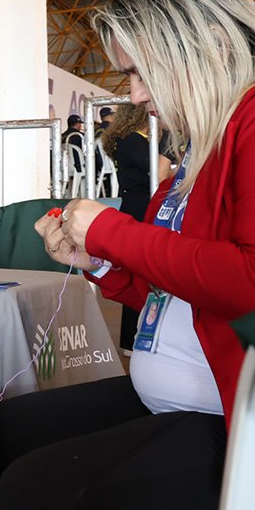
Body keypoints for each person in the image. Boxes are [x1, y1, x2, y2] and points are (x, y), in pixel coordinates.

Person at [0, 0, 255, 510]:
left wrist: (111, 231)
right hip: (177, 396)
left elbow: (248, 285)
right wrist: (101, 262)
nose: (136, 94)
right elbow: (169, 293)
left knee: (35, 489)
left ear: (212, 46)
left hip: (227, 416)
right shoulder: (196, 154)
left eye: (143, 73)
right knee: (4, 429)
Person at [101, 101, 176, 350]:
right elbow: (158, 172)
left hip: (134, 205)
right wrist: (169, 146)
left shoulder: (126, 140)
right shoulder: (133, 141)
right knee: (140, 274)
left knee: (138, 274)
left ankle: (131, 339)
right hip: (140, 208)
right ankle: (132, 339)